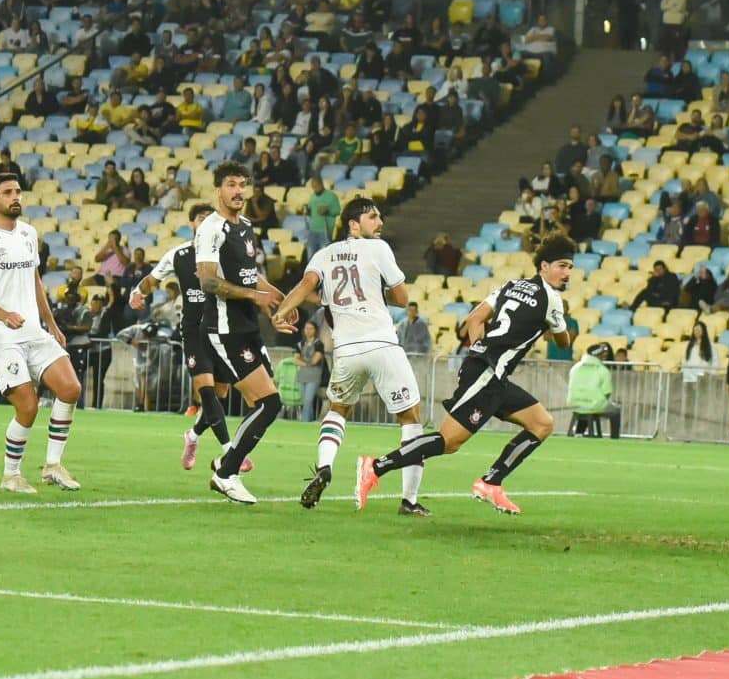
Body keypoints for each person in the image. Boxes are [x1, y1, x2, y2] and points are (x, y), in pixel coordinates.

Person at [357, 236, 577, 516]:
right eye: (562, 265)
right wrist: (556, 327)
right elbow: (562, 342)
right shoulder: (552, 299)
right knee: (448, 442)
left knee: (542, 423)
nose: (567, 272)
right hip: (487, 374)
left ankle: (491, 481)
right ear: (544, 266)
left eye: (570, 267)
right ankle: (375, 467)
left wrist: (478, 352)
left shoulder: (510, 286)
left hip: (489, 371)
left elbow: (474, 319)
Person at [271, 198, 431, 515]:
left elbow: (306, 285)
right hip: (382, 344)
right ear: (353, 225)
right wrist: (376, 291)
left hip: (345, 350)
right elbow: (402, 298)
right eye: (372, 217)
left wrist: (281, 313)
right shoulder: (379, 249)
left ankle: (324, 466)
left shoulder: (323, 254)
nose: (380, 222)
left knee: (338, 410)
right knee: (411, 418)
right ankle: (409, 501)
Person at [0, 171, 85, 492]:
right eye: (7, 192)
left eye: (18, 191)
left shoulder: (29, 233)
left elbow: (35, 282)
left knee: (70, 389)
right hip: (0, 338)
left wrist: (53, 325)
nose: (16, 197)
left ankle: (53, 465)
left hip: (33, 331)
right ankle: (11, 475)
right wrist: (3, 315)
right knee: (27, 406)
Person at [195, 161, 283, 504]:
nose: (238, 191)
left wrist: (276, 300)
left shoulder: (246, 226)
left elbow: (250, 277)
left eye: (242, 184)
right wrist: (253, 295)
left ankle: (225, 462)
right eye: (231, 184)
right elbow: (207, 281)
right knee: (269, 403)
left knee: (264, 401)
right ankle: (227, 472)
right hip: (225, 329)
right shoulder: (210, 229)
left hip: (248, 326)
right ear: (218, 189)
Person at [131, 202, 243, 471]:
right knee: (206, 393)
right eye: (200, 218)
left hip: (222, 330)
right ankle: (232, 452)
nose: (205, 222)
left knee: (220, 393)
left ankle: (192, 436)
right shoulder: (178, 254)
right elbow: (152, 279)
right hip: (194, 331)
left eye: (209, 218)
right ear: (192, 224)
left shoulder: (225, 254)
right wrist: (138, 291)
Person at [566, 340, 621, 438]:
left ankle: (579, 433)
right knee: (616, 411)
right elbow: (607, 393)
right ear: (599, 355)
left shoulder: (575, 367)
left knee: (584, 408)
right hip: (594, 405)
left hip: (574, 404)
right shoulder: (603, 370)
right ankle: (614, 438)